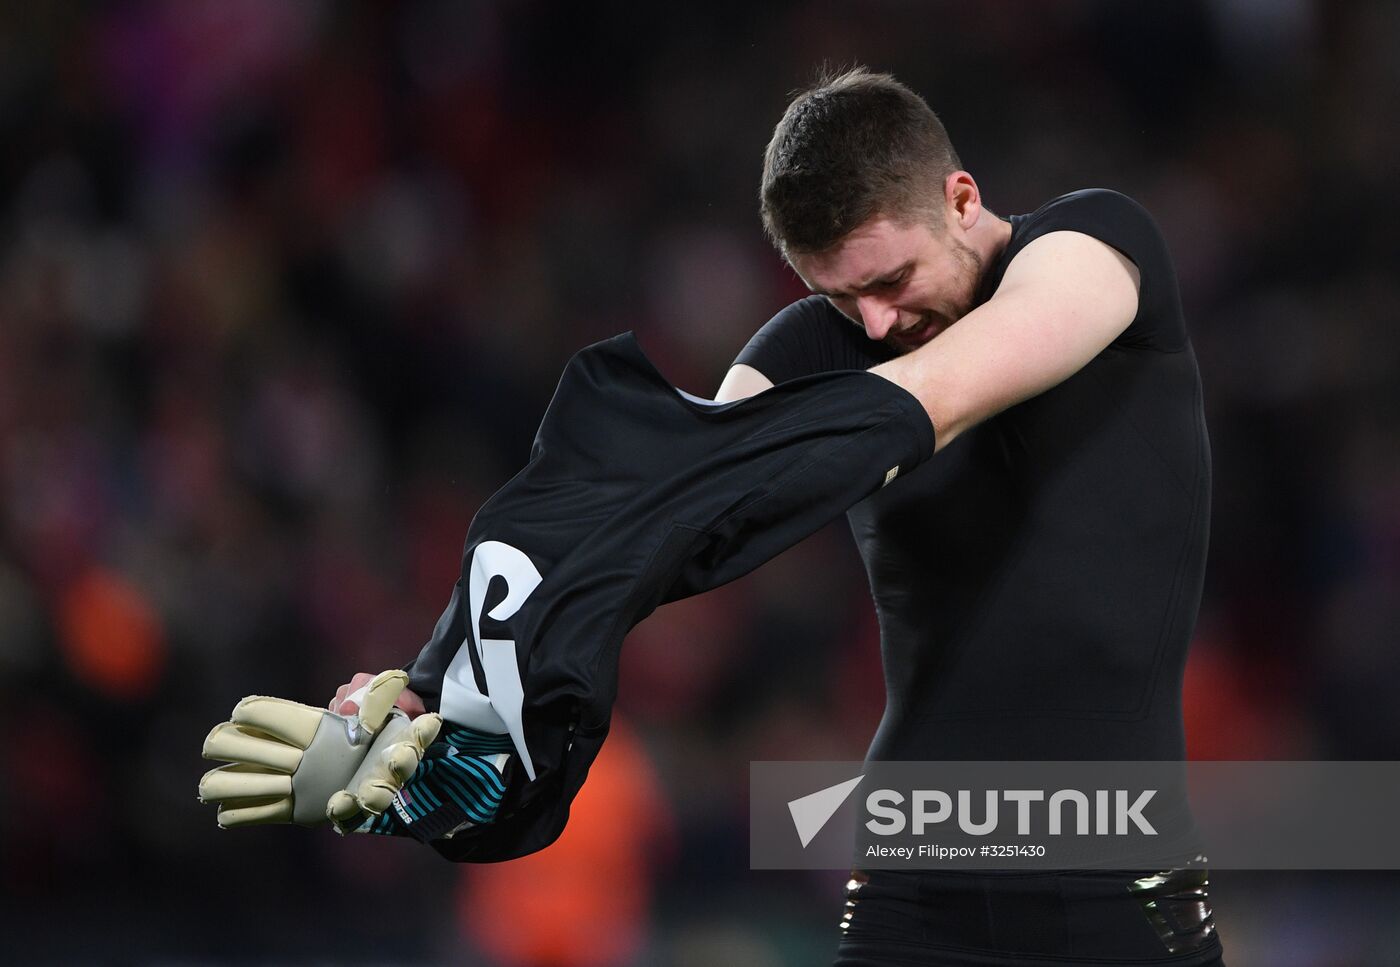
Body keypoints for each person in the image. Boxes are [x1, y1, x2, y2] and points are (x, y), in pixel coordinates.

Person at [328, 67, 1220, 965]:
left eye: (892, 279)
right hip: (915, 882)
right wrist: (446, 683)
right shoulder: (818, 346)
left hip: (1117, 882)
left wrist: (753, 456)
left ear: (960, 199)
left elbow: (940, 395)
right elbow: (663, 514)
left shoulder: (1094, 245)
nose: (873, 325)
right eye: (839, 297)